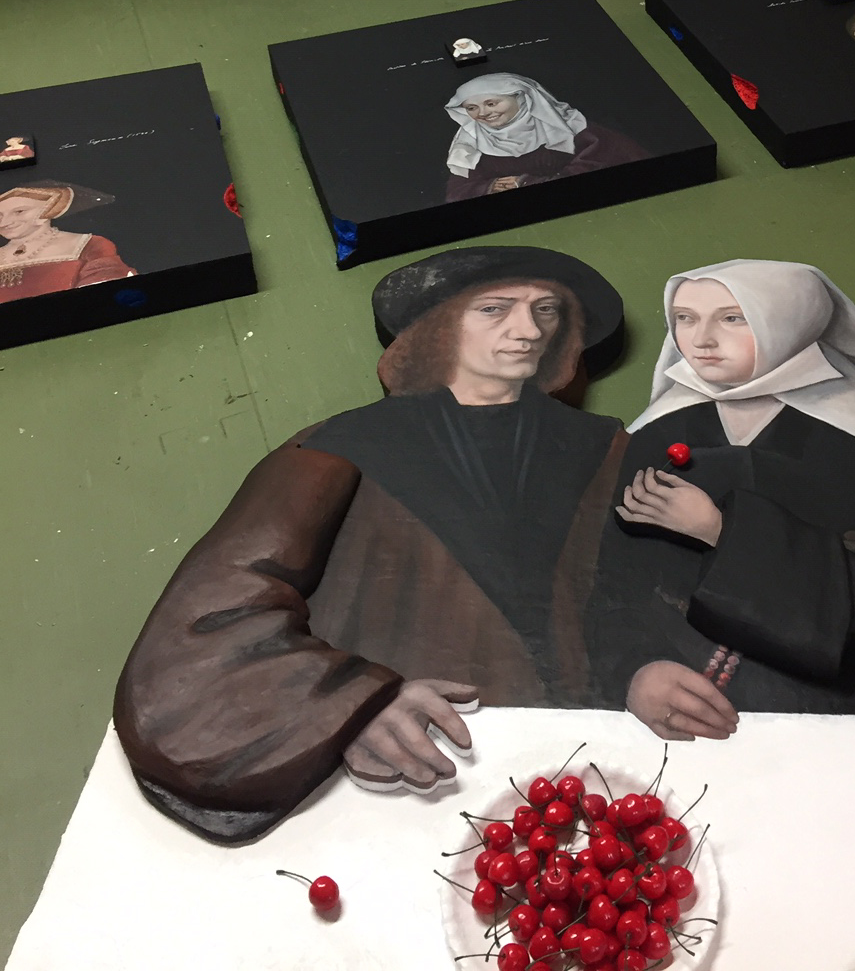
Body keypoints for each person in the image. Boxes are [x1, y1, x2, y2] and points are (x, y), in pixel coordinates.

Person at [114, 246, 628, 844]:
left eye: (547, 311)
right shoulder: (337, 446)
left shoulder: (607, 448)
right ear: (440, 327)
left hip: (611, 778)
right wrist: (349, 701)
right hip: (427, 778)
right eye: (494, 308)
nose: (528, 330)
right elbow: (207, 620)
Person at [586, 259, 855, 740]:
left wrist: (720, 530)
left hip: (852, 708)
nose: (702, 339)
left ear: (789, 320)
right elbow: (609, 586)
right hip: (689, 699)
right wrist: (635, 670)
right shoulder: (658, 431)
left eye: (732, 318)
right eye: (685, 318)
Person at [443, 72, 649, 201]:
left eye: (491, 103)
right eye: (472, 108)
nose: (483, 113)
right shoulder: (470, 143)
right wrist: (489, 187)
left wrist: (525, 183)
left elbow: (607, 170)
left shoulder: (573, 128)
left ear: (523, 98)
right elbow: (457, 193)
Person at [0, 183, 135, 302]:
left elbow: (102, 296)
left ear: (49, 209)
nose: (4, 223)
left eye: (19, 212)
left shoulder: (89, 244)